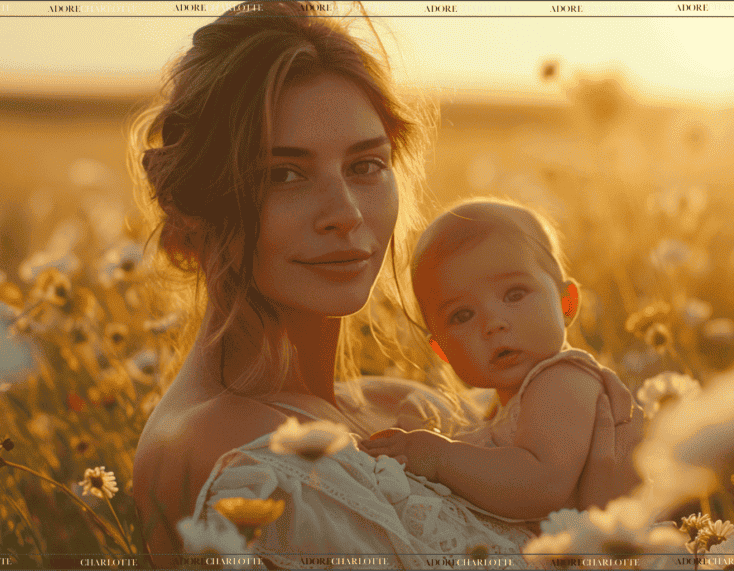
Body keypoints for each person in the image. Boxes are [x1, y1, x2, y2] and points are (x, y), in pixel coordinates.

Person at [130, 2, 641, 567]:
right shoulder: (243, 455)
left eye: (366, 165)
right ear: (199, 200)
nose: (345, 213)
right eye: (285, 174)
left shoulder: (405, 407)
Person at [361, 199, 643, 521]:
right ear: (443, 352)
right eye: (462, 315)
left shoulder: (563, 379)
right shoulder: (509, 399)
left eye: (514, 294)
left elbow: (541, 485)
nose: (493, 323)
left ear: (566, 303)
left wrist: (440, 456)